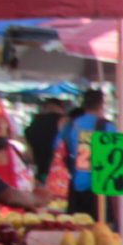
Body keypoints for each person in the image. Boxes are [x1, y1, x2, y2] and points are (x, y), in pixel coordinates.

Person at [57, 91, 108, 219]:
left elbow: (57, 151)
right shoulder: (108, 127)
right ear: (102, 105)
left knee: (77, 230)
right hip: (101, 190)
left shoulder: (69, 126)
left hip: (74, 187)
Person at [23, 96, 67, 190]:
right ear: (61, 107)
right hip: (60, 175)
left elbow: (29, 156)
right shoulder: (65, 123)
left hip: (40, 173)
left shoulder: (35, 123)